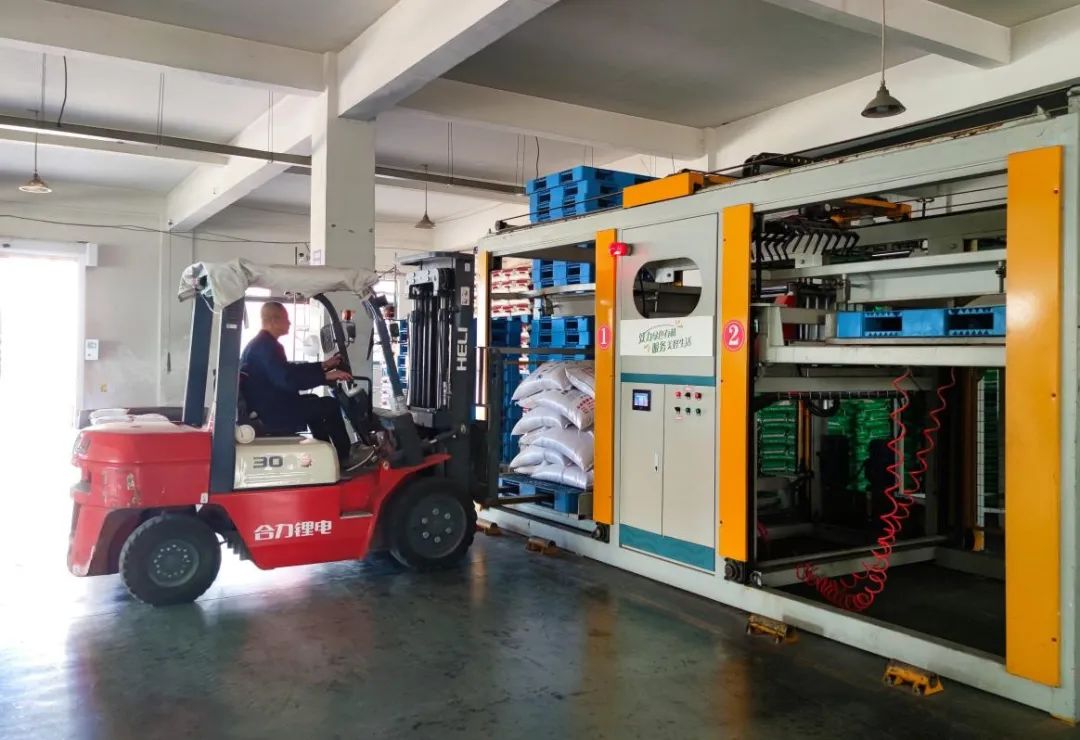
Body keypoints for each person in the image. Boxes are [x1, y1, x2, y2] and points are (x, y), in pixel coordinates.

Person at [240, 302, 360, 468]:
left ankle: (325, 452)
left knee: (313, 400)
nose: (289, 323)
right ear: (274, 321)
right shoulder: (267, 347)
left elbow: (289, 370)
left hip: (268, 405)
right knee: (329, 405)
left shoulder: (260, 344)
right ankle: (344, 457)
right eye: (286, 319)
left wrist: (323, 365)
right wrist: (325, 376)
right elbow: (288, 380)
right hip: (272, 412)